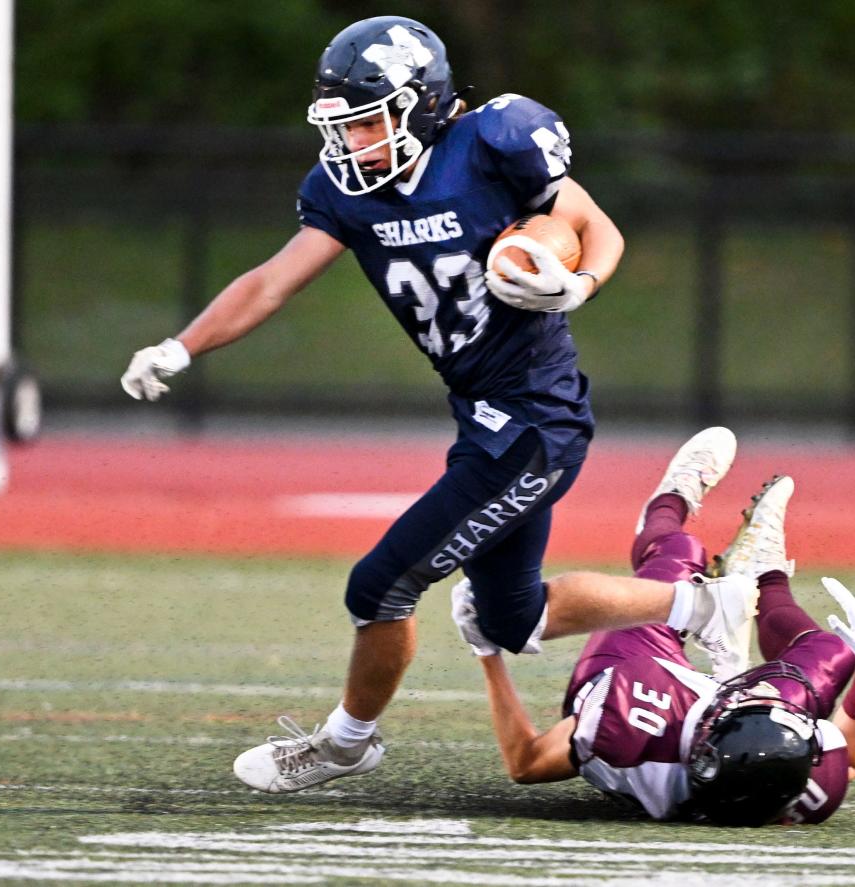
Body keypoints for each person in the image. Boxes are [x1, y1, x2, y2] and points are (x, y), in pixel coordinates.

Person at [119, 14, 636, 792]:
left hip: (533, 420)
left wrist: (576, 282)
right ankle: (707, 605)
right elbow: (271, 279)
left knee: (381, 585)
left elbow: (591, 225)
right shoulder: (343, 191)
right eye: (343, 127)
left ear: (423, 103)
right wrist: (181, 345)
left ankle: (345, 741)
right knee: (512, 618)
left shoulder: (497, 139)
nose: (353, 144)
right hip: (485, 418)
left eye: (368, 123)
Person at [452, 430, 855, 826]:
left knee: (680, 551)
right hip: (716, 718)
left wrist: (486, 652)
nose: (749, 692)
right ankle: (764, 575)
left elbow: (525, 763)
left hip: (636, 673)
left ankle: (672, 501)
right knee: (836, 652)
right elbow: (848, 762)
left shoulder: (623, 726)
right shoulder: (793, 779)